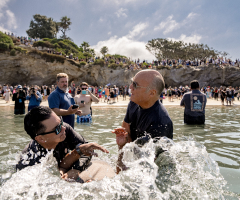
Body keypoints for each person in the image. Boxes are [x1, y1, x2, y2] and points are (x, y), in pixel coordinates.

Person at [16, 106, 114, 183]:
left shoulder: (64, 129)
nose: (63, 128)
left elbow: (87, 148)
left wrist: (76, 169)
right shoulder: (29, 161)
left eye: (61, 121)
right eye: (57, 128)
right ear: (41, 139)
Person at [113, 69, 173, 173]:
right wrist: (122, 146)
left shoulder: (161, 123)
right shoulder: (134, 102)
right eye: (131, 83)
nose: (130, 87)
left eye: (135, 85)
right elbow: (125, 128)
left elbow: (150, 170)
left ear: (151, 93)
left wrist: (128, 142)